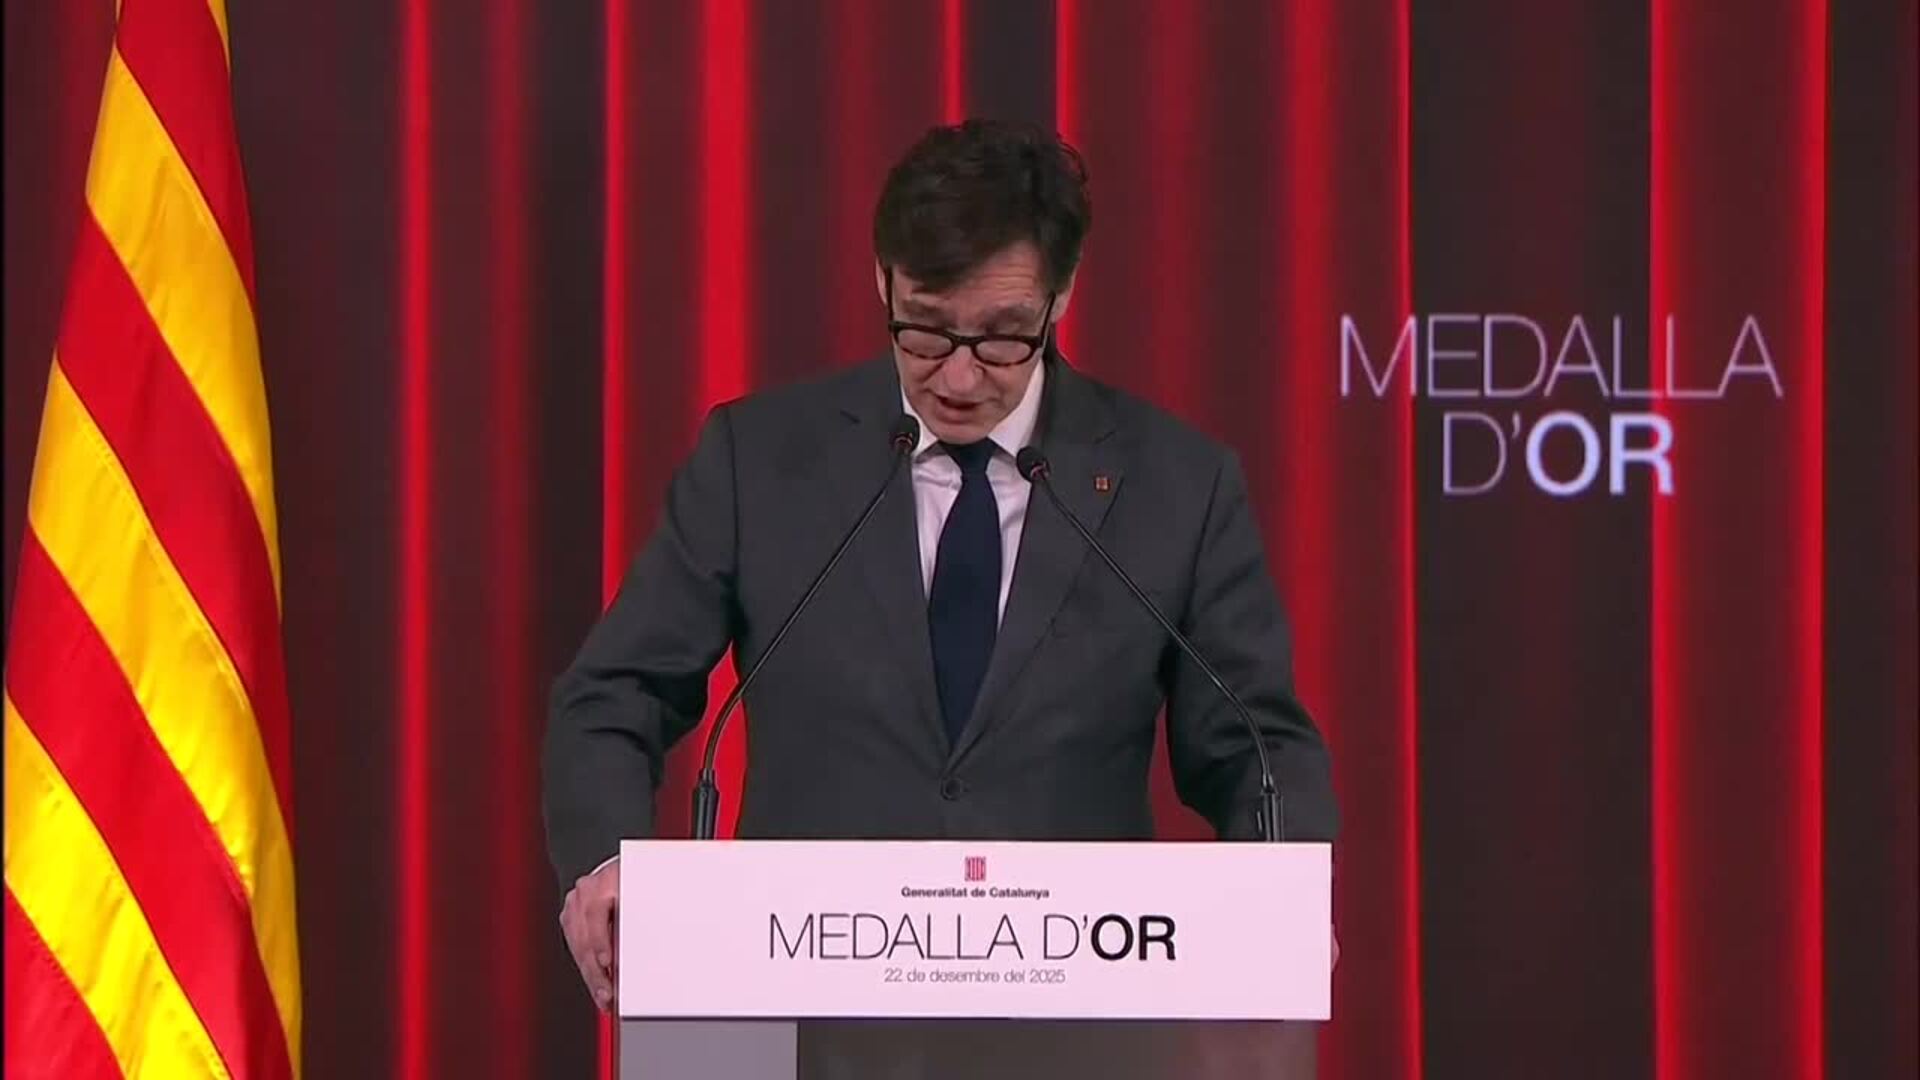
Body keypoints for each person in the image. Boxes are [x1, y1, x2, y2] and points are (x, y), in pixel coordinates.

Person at [542, 119, 1338, 1049]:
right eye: (924, 329)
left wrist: (1281, 895)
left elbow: (1256, 747)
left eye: (1001, 339)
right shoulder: (759, 461)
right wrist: (605, 861)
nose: (958, 376)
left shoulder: (1176, 484)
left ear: (1061, 297)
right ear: (881, 281)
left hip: (1073, 1041)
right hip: (800, 1032)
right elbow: (615, 693)